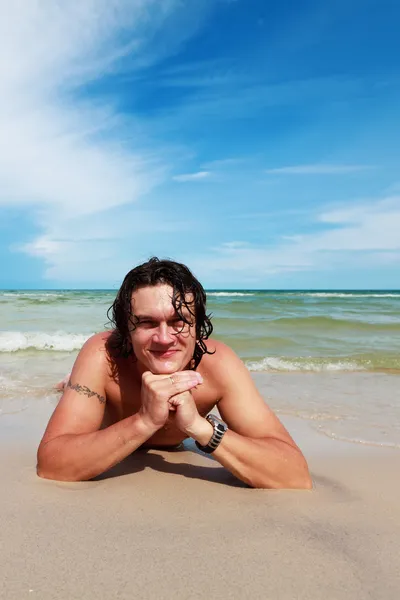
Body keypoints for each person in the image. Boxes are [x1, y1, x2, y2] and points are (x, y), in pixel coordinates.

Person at [37, 258, 312, 489]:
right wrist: (144, 421)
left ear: (199, 326)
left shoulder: (219, 365)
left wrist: (200, 428)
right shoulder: (103, 355)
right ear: (126, 329)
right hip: (107, 406)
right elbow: (51, 465)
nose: (164, 338)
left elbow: (295, 476)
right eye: (147, 322)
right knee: (72, 385)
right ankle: (70, 383)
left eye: (178, 321)